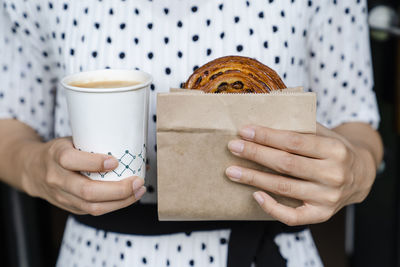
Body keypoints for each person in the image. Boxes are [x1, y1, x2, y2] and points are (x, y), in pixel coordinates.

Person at [0, 0, 383, 266]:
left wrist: (357, 170)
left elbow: (355, 119)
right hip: (103, 253)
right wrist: (36, 168)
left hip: (267, 248)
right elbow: (10, 121)